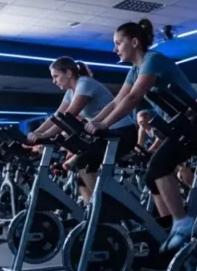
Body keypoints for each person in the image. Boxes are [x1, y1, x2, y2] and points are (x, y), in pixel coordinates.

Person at [86, 19, 197, 248]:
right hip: (177, 127)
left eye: (118, 43)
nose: (114, 49)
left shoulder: (153, 60)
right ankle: (170, 225)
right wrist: (94, 123)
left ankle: (184, 223)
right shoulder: (135, 70)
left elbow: (133, 98)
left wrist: (105, 125)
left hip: (196, 122)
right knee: (151, 177)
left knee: (159, 167)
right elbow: (117, 100)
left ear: (135, 42)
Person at [29, 57, 136, 202]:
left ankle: (102, 206)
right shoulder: (71, 91)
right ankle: (92, 210)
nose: (54, 81)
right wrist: (37, 133)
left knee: (83, 164)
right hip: (106, 135)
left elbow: (69, 115)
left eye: (56, 76)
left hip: (122, 132)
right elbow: (56, 116)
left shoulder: (85, 83)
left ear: (68, 73)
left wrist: (45, 135)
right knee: (81, 176)